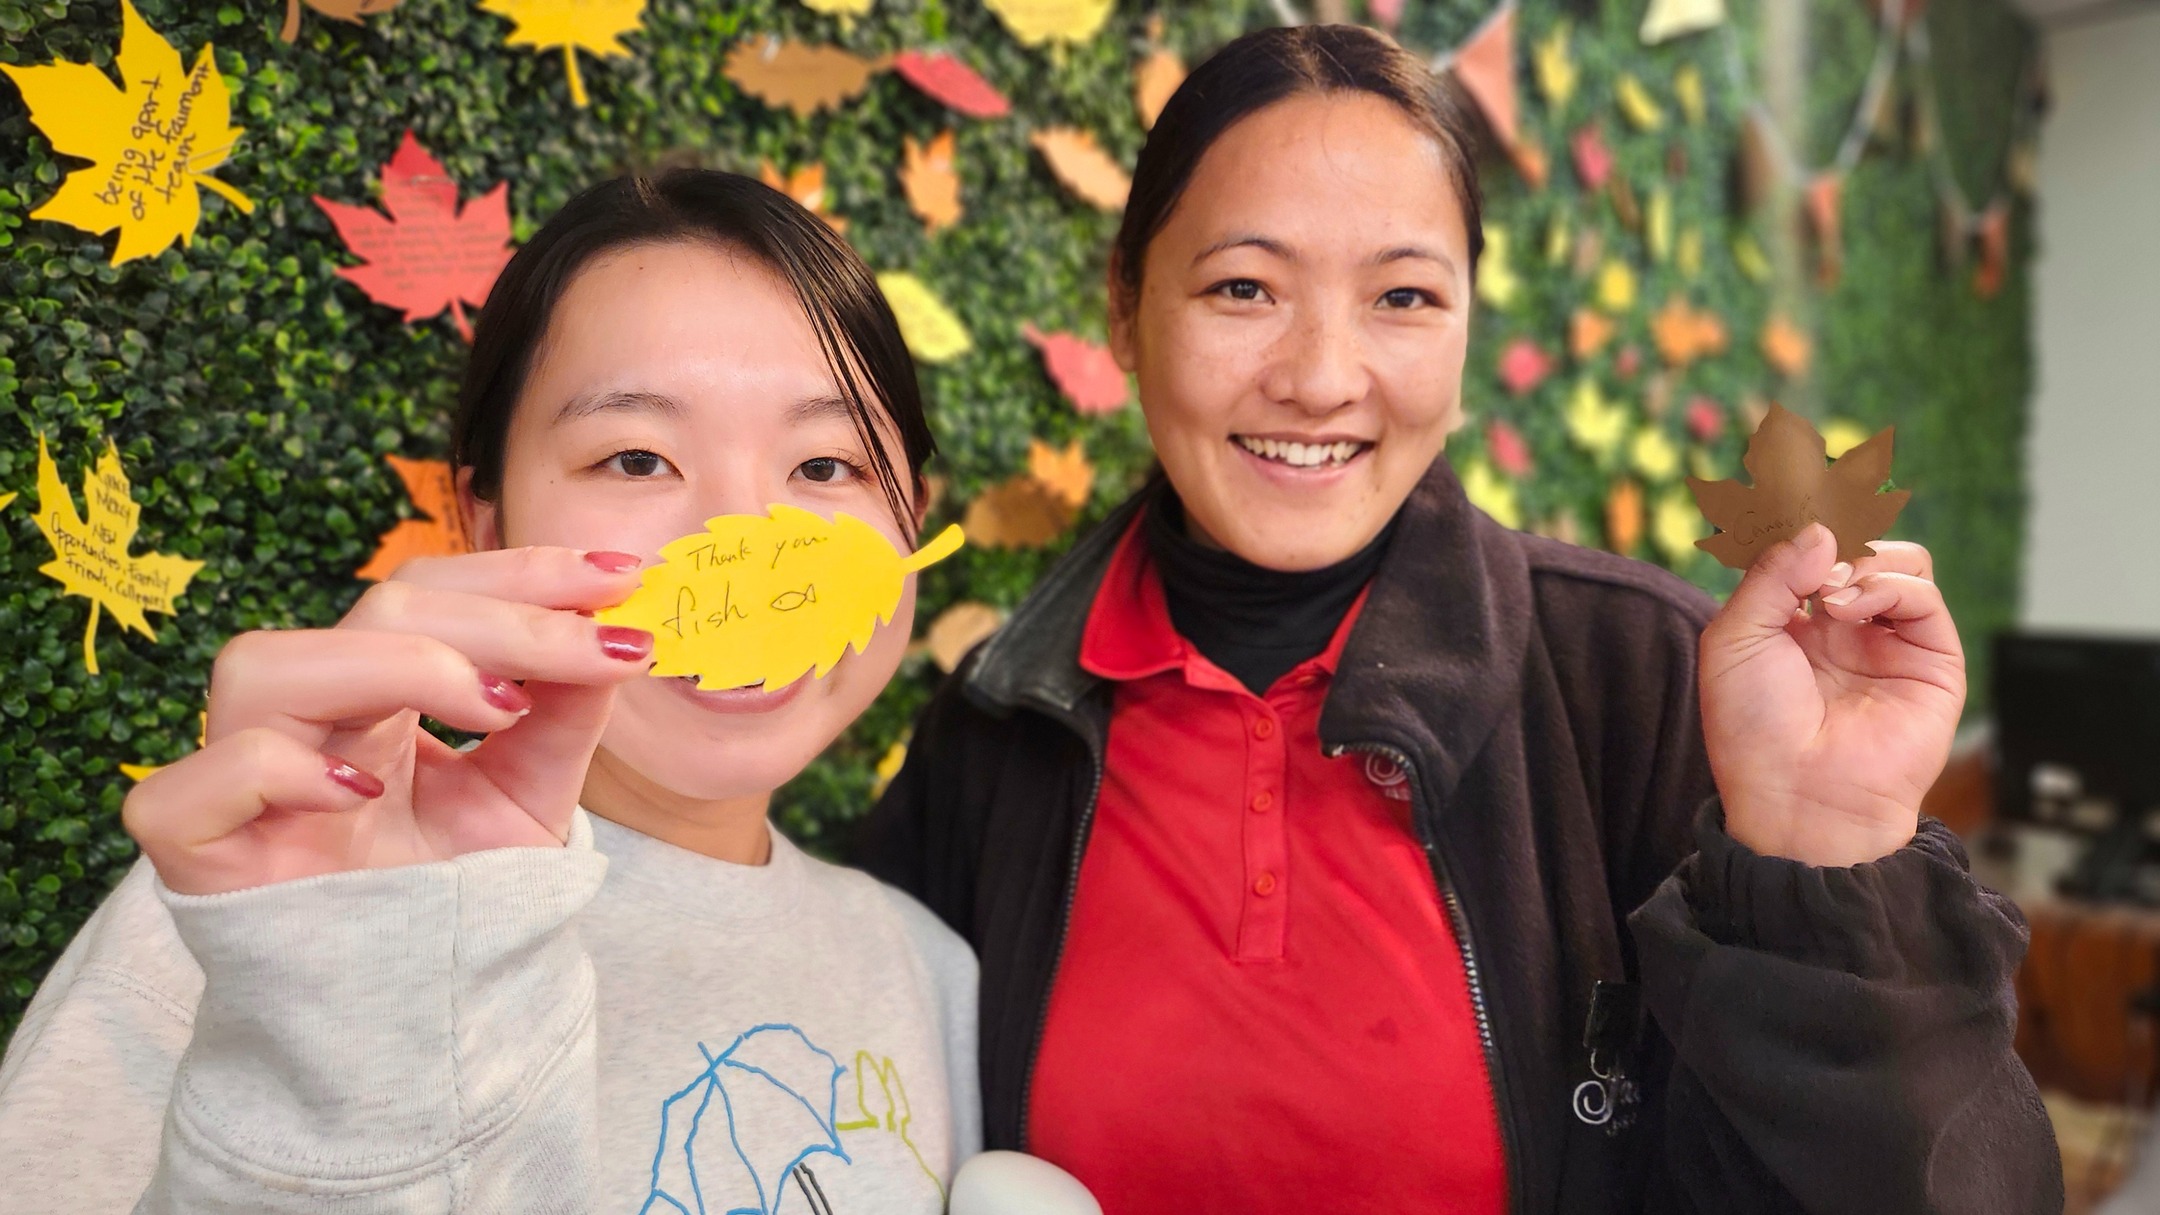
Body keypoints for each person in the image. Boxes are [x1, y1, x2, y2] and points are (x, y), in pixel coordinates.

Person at [857, 24, 2062, 1215]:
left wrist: (1826, 855)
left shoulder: (1649, 684)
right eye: (1242, 287)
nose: (1323, 375)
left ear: (1468, 324)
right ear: (1127, 312)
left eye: (1403, 295)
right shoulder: (1001, 727)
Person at [0, 170, 980, 1213]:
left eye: (826, 467)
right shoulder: (268, 914)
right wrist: (348, 1025)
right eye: (637, 458)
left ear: (911, 517)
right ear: (485, 517)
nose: (742, 540)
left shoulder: (929, 974)